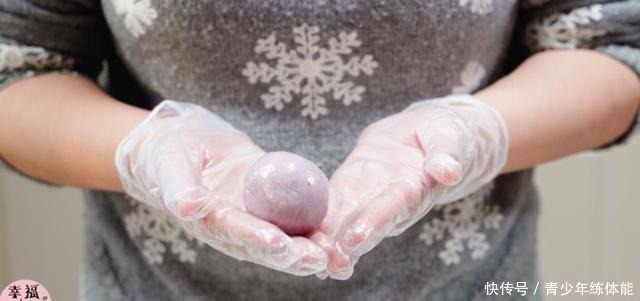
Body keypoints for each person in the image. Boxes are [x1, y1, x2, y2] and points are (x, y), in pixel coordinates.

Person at [0, 0, 638, 300]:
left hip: (468, 285)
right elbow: (20, 66)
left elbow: (607, 40)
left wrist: (478, 131)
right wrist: (144, 148)